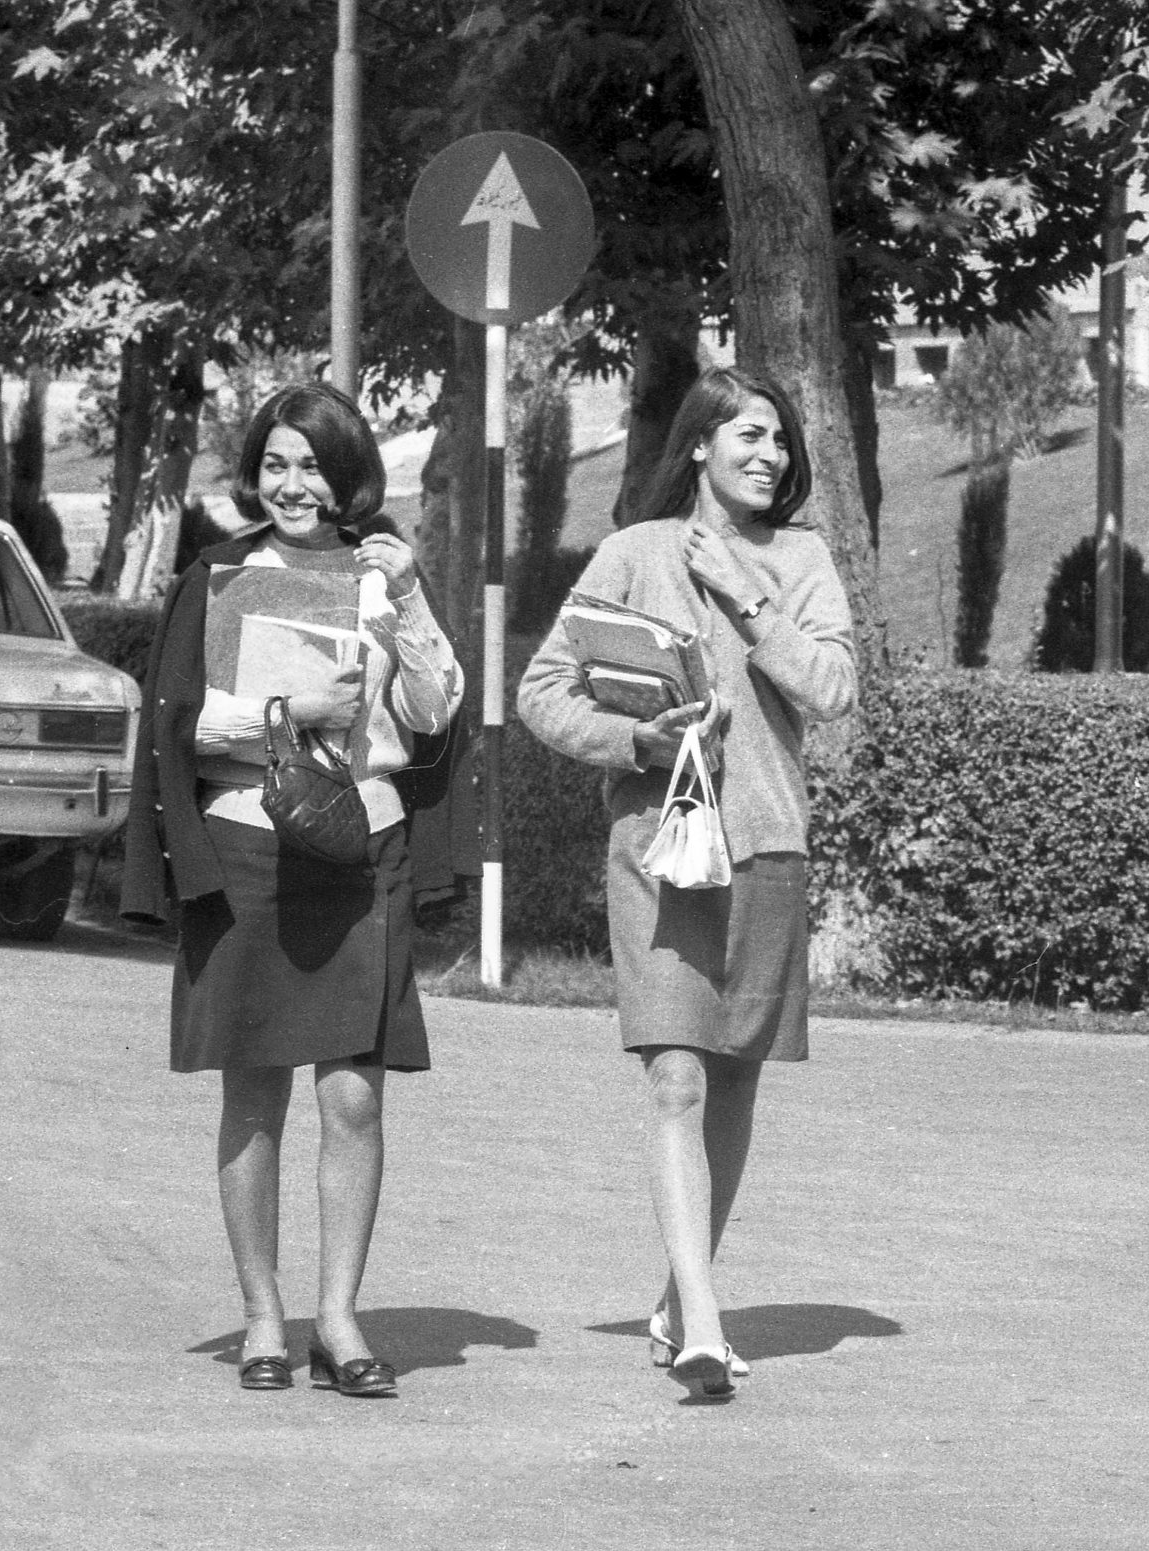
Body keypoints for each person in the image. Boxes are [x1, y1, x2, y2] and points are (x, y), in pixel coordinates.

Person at [120, 381, 469, 1394]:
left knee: (354, 1097)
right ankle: (265, 1317)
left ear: (346, 471)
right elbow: (178, 722)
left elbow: (436, 714)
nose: (291, 484)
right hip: (247, 849)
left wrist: (409, 601)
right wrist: (290, 709)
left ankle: (340, 1318)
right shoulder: (218, 573)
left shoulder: (383, 573)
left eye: (310, 464)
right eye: (273, 464)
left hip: (364, 849)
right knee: (253, 1089)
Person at [518, 367, 857, 1400]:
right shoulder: (630, 553)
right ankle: (702, 1326)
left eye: (780, 441)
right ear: (699, 444)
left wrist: (749, 601)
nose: (769, 455)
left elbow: (833, 691)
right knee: (676, 1075)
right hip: (659, 847)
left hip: (764, 844)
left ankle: (677, 1295)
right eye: (748, 435)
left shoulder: (798, 559)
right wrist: (631, 738)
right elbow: (542, 690)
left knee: (736, 1077)